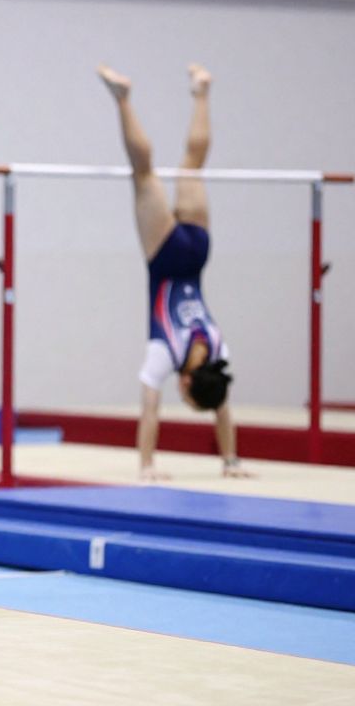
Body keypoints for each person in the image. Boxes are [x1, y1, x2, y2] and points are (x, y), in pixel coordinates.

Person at [97, 63, 252, 481]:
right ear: (184, 385)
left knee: (193, 163)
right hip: (165, 254)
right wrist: (146, 465)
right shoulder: (164, 353)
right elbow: (150, 411)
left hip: (197, 250)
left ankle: (202, 90)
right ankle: (123, 98)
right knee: (143, 172)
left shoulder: (220, 355)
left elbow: (221, 404)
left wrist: (230, 460)